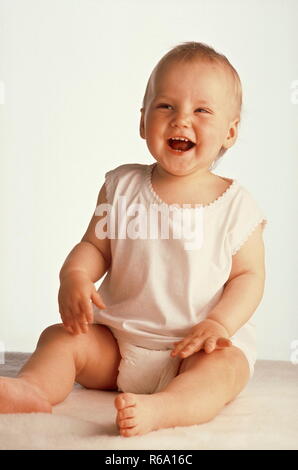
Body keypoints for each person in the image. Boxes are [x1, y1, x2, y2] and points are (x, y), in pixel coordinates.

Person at [0, 41, 267, 438]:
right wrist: (74, 277)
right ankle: (32, 388)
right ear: (142, 121)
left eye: (201, 110)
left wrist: (219, 323)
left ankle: (167, 407)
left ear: (230, 132)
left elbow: (249, 277)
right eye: (166, 107)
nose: (181, 120)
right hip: (118, 346)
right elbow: (94, 246)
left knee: (224, 371)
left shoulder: (235, 204)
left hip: (194, 349)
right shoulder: (121, 186)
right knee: (60, 338)